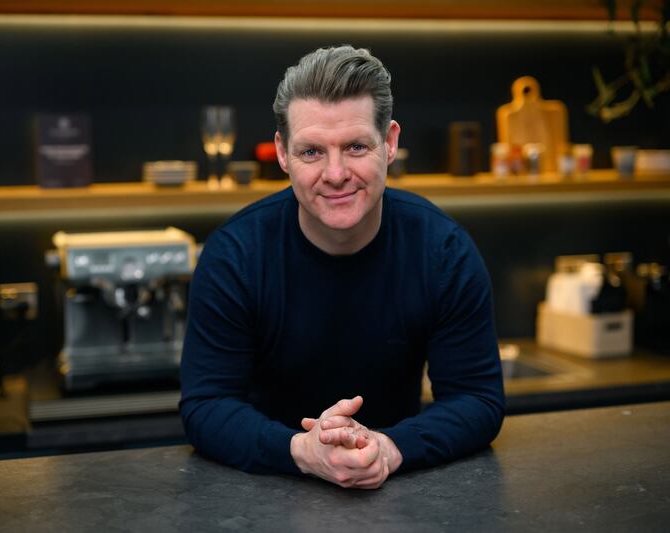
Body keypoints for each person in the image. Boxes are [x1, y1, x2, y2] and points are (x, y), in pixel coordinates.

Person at [180, 45, 504, 489]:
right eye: (312, 152)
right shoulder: (235, 256)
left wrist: (389, 448)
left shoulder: (442, 250)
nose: (335, 174)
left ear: (389, 143)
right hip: (260, 491)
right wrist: (303, 451)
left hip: (401, 490)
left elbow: (477, 399)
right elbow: (206, 406)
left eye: (355, 146)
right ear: (282, 153)